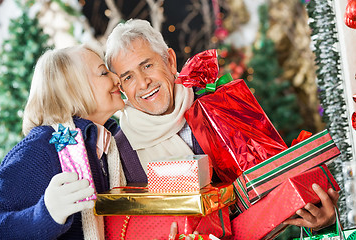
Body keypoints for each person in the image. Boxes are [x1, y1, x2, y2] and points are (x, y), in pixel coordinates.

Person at [105, 19, 340, 231]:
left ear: (170, 60)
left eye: (147, 66)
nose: (143, 83)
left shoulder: (222, 104)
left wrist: (321, 221)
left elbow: (279, 187)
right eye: (128, 77)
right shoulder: (120, 153)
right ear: (122, 88)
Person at [0, 44, 127, 239]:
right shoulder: (41, 148)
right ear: (72, 88)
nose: (117, 78)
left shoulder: (109, 144)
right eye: (104, 73)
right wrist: (46, 214)